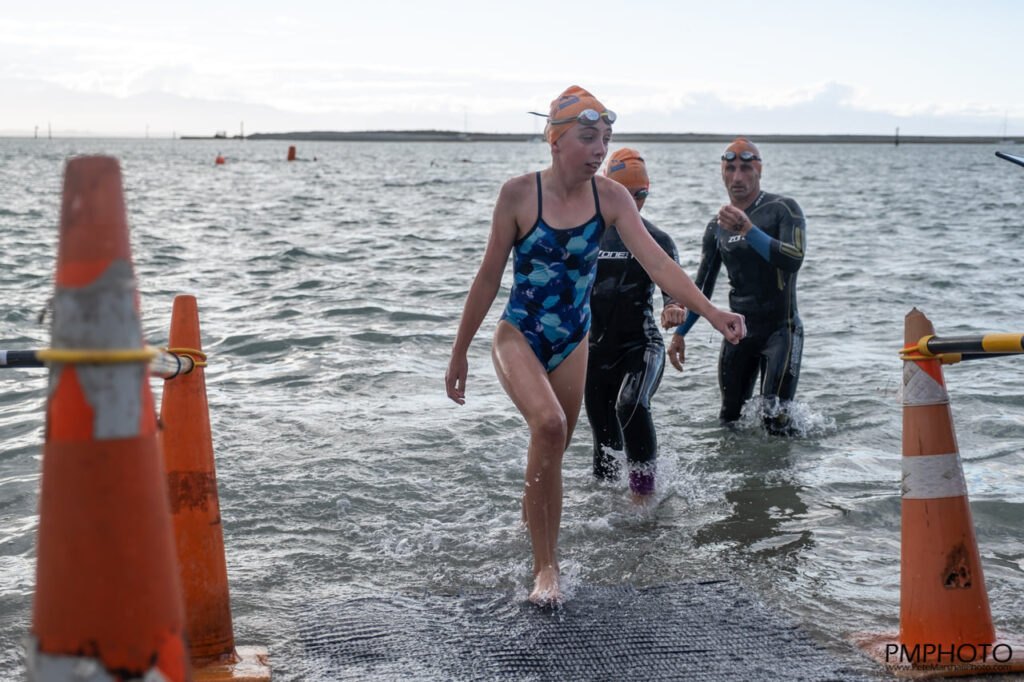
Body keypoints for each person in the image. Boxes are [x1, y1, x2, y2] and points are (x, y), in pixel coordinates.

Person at [444, 85, 746, 606]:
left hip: (573, 341)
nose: (599, 149)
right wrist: (459, 353)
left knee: (551, 450)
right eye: (587, 138)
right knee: (551, 425)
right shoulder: (519, 195)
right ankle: (547, 569)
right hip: (520, 333)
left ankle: (530, 522)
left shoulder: (611, 198)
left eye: (604, 138)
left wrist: (712, 312)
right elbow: (488, 277)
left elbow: (659, 264)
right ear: (555, 139)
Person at [666, 138, 805, 435]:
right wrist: (680, 333)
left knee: (776, 420)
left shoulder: (783, 209)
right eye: (730, 168)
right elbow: (702, 284)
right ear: (722, 172)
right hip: (739, 333)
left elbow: (793, 258)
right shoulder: (717, 227)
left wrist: (747, 229)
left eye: (745, 168)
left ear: (759, 171)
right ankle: (740, 481)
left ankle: (783, 479)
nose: (737, 177)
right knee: (729, 421)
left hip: (783, 331)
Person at [584, 148, 685, 502]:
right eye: (627, 195)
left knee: (631, 403)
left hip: (641, 347)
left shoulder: (657, 239)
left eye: (641, 195)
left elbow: (673, 288)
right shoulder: (585, 236)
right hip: (594, 354)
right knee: (604, 450)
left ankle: (644, 495)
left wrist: (674, 307)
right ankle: (605, 514)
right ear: (605, 190)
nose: (634, 204)